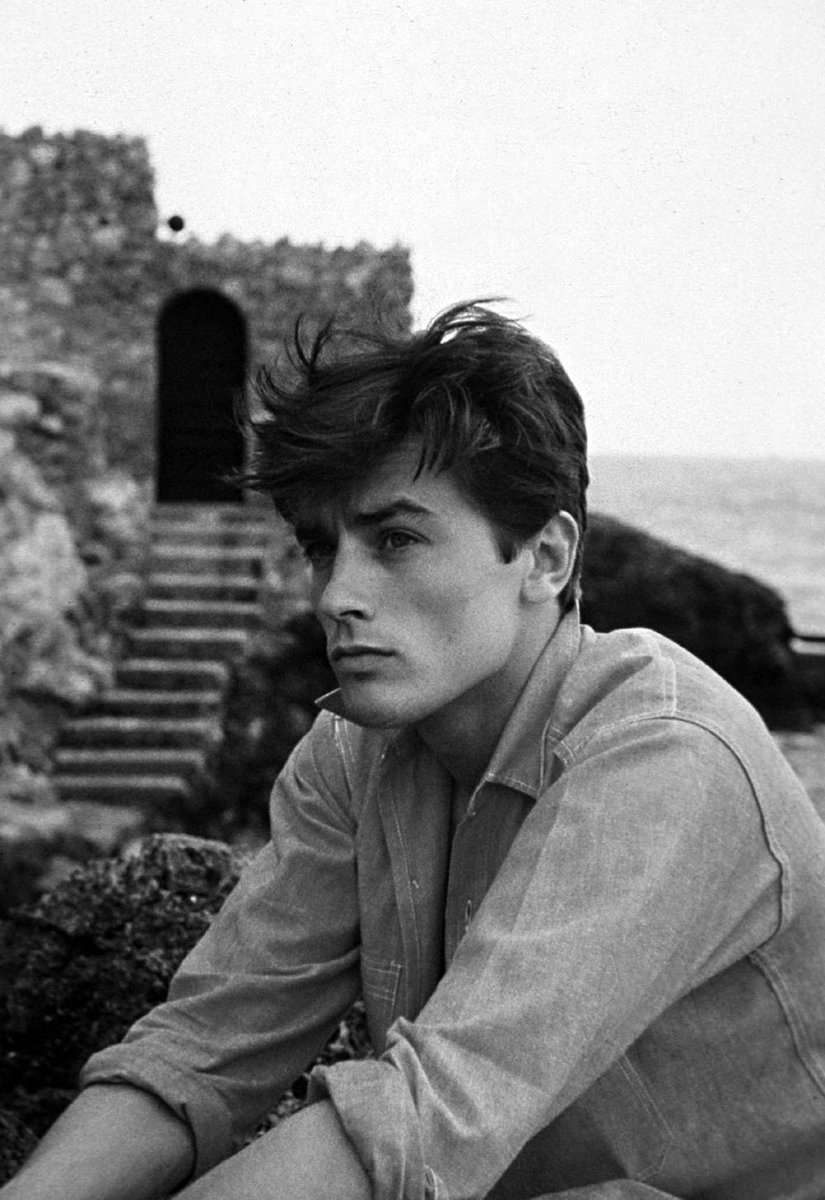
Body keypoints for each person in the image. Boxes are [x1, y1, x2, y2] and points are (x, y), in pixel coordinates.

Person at [5, 301, 825, 1200]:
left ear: (546, 558)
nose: (335, 596)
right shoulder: (354, 751)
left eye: (395, 540)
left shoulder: (662, 757)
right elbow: (203, 1050)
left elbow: (425, 1114)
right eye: (322, 548)